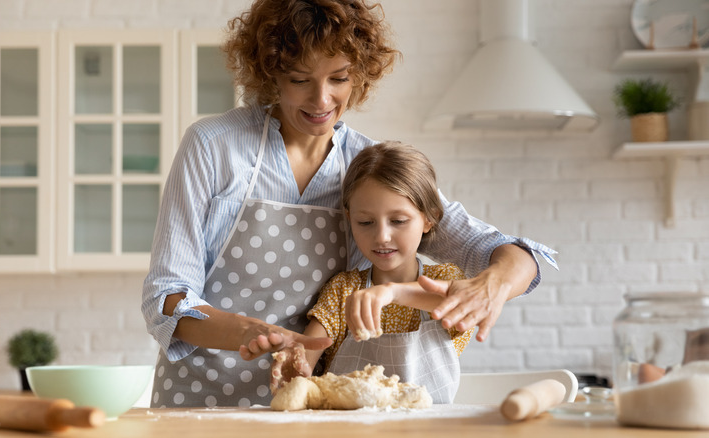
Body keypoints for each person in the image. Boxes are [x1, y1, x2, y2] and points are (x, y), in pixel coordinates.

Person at [142, 0, 557, 408]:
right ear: (270, 73)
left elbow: (511, 252)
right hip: (197, 397)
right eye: (300, 79)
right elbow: (166, 299)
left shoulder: (368, 170)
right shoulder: (214, 147)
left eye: (338, 78)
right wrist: (254, 332)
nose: (322, 100)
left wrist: (492, 285)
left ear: (359, 74)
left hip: (310, 406)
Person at [265, 141, 474, 403]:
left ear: (429, 218)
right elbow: (306, 355)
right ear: (349, 218)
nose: (382, 236)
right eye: (365, 222)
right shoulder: (344, 291)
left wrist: (393, 293)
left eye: (398, 221)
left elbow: (462, 303)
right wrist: (294, 367)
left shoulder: (444, 280)